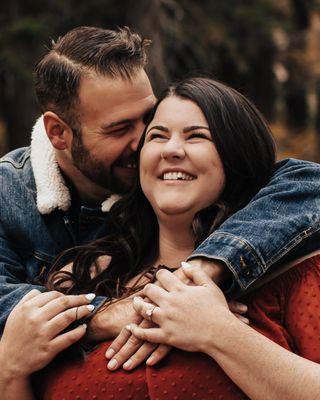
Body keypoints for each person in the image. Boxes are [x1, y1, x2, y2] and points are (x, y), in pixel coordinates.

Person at [0, 25, 320, 351]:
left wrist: (201, 271)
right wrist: (105, 315)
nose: (145, 142)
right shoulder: (8, 196)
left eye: (147, 118)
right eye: (119, 129)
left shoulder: (171, 180)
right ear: (58, 133)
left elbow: (308, 186)